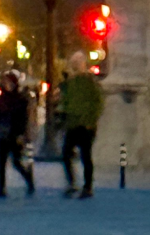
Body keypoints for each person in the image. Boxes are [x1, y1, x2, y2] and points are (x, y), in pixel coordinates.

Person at [57, 53, 105, 199]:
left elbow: (98, 102)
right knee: (66, 154)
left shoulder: (90, 82)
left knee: (85, 156)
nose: (75, 65)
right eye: (73, 63)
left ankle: (87, 186)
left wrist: (91, 121)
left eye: (77, 63)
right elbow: (65, 101)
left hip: (86, 125)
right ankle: (72, 183)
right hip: (73, 124)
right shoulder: (70, 82)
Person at [0, 70, 34, 198]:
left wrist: (20, 133)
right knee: (1, 162)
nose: (6, 84)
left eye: (8, 82)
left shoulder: (20, 99)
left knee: (16, 162)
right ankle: (2, 188)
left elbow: (23, 119)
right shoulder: (3, 98)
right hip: (3, 133)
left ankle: (29, 181)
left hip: (14, 134)